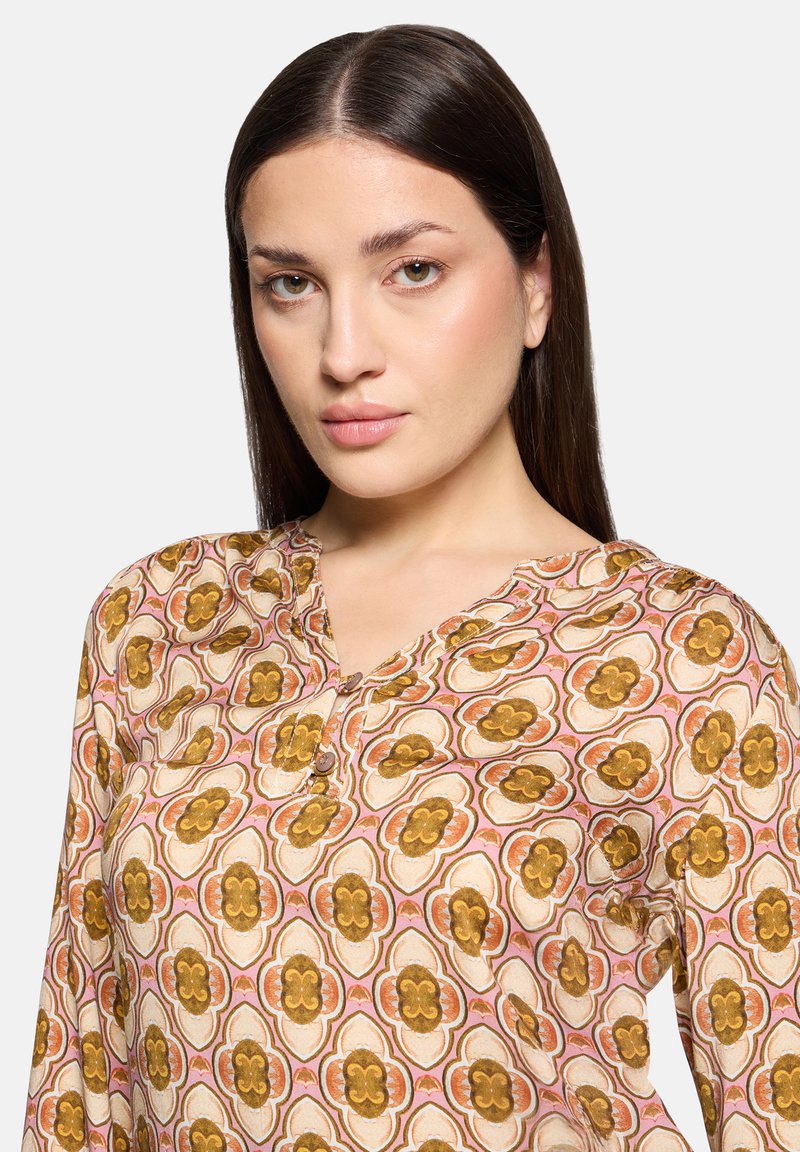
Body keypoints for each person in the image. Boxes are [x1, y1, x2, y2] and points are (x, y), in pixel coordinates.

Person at [20, 22, 800, 1152]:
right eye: (291, 284)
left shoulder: (683, 659)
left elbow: (780, 1101)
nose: (345, 351)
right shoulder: (161, 620)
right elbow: (78, 1088)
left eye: (413, 271)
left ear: (536, 285)